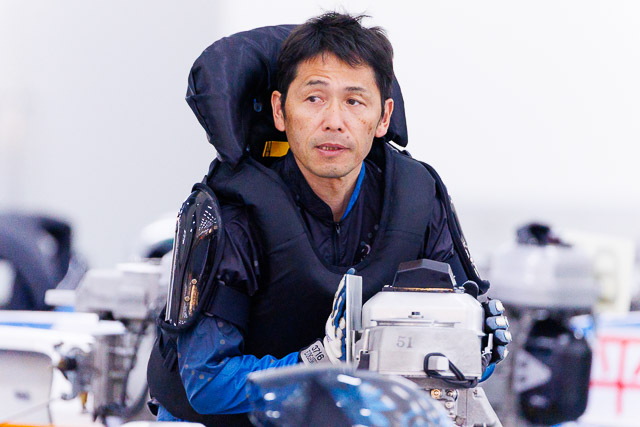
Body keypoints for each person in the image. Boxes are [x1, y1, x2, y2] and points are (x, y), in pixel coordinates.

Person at [147, 12, 509, 426]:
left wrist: (478, 351)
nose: (334, 121)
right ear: (280, 111)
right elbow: (207, 382)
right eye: (314, 99)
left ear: (383, 117)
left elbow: (457, 346)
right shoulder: (233, 212)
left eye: (354, 101)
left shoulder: (417, 198)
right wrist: (319, 362)